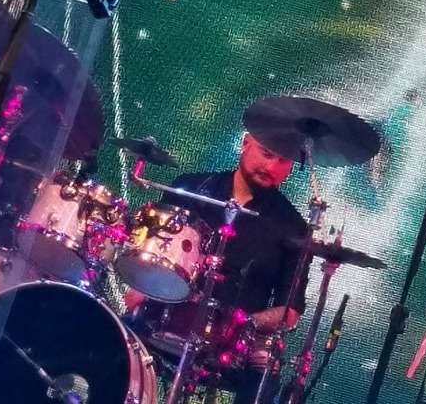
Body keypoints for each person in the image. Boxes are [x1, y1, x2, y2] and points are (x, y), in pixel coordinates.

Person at [128, 130, 309, 404]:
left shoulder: (294, 228)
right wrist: (140, 287)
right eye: (267, 153)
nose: (271, 166)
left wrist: (244, 323)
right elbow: (150, 254)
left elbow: (290, 311)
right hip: (161, 317)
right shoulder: (189, 188)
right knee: (109, 338)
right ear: (246, 143)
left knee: (265, 380)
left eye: (283, 161)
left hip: (233, 344)